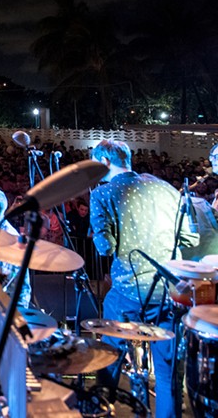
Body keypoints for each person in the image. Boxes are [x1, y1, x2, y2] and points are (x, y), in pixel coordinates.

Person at [90, 139, 199, 418]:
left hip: (127, 292)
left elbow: (105, 248)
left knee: (107, 359)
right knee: (168, 376)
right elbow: (190, 237)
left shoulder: (102, 194)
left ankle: (102, 409)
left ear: (104, 163)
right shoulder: (166, 189)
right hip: (169, 292)